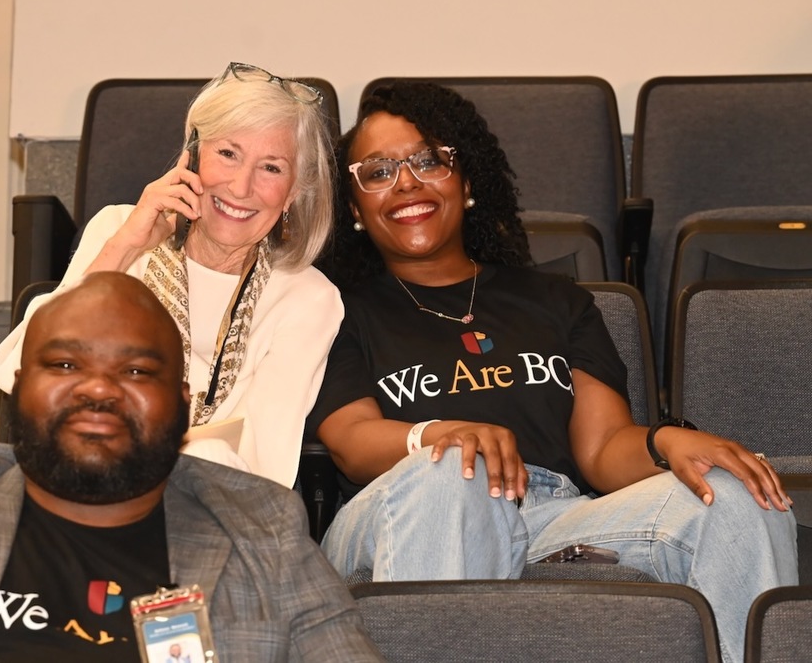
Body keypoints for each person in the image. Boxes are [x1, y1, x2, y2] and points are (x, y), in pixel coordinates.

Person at [308, 81, 797, 663]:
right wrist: (434, 436)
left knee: (737, 492)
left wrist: (666, 440)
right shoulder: (337, 309)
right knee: (453, 472)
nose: (407, 181)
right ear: (356, 208)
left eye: (428, 160)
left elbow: (602, 449)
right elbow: (350, 442)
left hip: (552, 512)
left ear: (466, 184)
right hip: (403, 508)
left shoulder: (556, 301)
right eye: (379, 171)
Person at [0, 272, 382, 662]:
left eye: (136, 371)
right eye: (66, 365)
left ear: (182, 403)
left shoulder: (262, 526)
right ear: (19, 389)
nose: (99, 390)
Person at [0, 62, 342, 488]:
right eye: (228, 154)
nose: (241, 187)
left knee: (208, 455)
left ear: (294, 194)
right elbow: (22, 374)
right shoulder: (117, 230)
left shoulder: (310, 298)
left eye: (271, 168)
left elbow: (264, 467)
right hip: (84, 479)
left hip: (208, 508)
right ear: (191, 157)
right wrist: (126, 247)